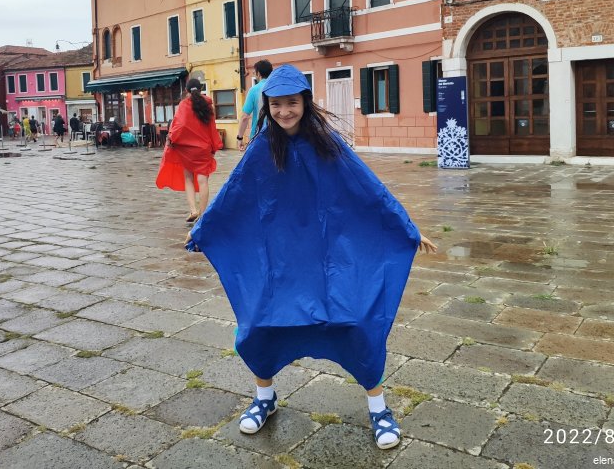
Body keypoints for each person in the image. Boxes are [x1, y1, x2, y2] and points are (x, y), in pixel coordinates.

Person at [186, 65, 437, 450]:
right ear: (267, 106)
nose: (284, 111)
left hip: (330, 257)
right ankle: (264, 398)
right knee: (260, 324)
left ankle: (379, 407)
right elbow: (233, 195)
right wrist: (205, 228)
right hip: (280, 260)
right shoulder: (262, 148)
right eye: (276, 105)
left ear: (305, 102)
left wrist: (406, 227)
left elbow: (369, 189)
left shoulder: (328, 145)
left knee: (355, 321)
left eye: (291, 103)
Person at [156, 78, 223, 223]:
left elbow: (179, 126)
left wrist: (171, 139)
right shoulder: (208, 105)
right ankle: (203, 214)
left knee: (188, 178)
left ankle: (193, 210)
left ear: (186, 90)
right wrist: (214, 147)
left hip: (186, 149)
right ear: (201, 89)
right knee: (203, 180)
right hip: (204, 148)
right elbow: (212, 128)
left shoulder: (184, 105)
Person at [236, 59, 273, 152]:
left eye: (255, 72)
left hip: (259, 137)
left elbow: (245, 117)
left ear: (259, 74)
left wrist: (240, 138)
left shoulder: (254, 90)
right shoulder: (276, 87)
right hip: (277, 136)